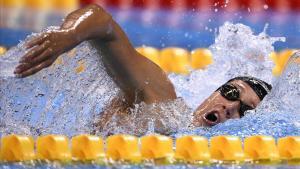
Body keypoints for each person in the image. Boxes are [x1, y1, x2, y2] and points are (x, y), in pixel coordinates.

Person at [13, 4, 271, 130]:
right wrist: (68, 35)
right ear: (216, 91)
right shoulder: (160, 101)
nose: (230, 107)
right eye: (232, 93)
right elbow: (102, 20)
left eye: (245, 111)